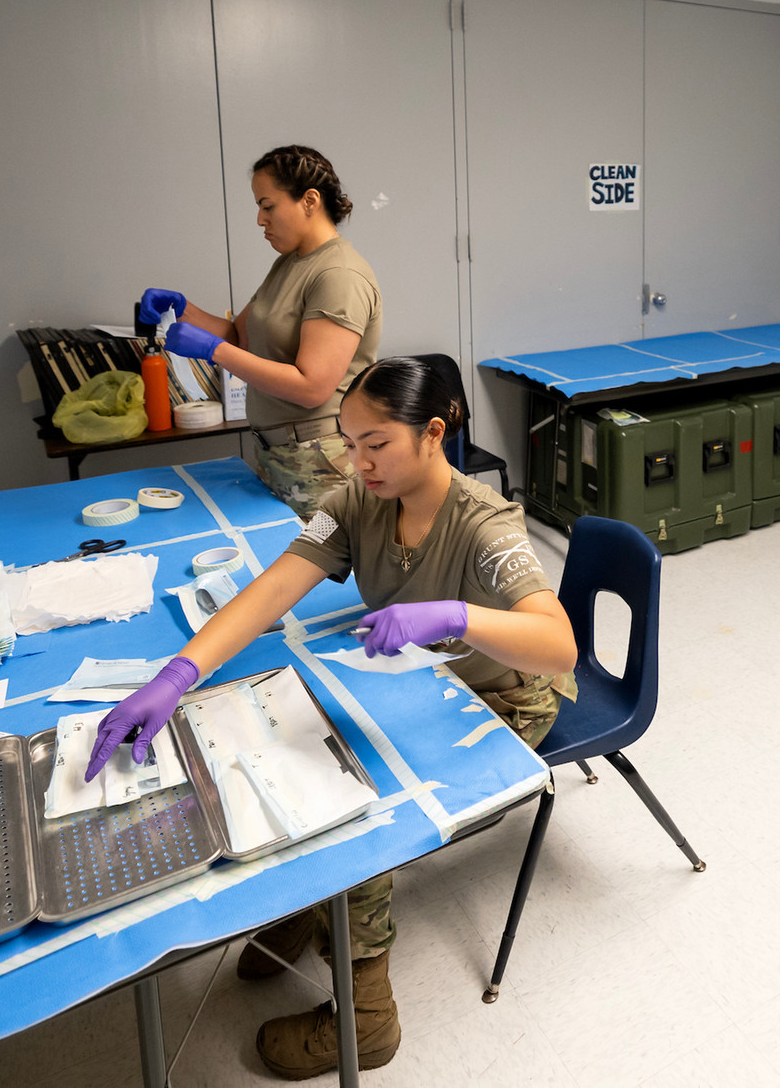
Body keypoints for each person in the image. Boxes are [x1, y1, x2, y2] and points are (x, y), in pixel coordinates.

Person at [82, 357, 577, 1078]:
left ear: (432, 432)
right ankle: (317, 907)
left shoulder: (485, 524)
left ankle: (367, 1018)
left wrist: (456, 614)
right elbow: (274, 586)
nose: (358, 460)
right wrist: (176, 675)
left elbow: (557, 640)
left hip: (503, 695)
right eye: (350, 442)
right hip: (431, 682)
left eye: (375, 443)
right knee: (290, 738)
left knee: (352, 797)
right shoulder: (356, 501)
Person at [139, 144, 382, 517]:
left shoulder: (338, 275)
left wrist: (213, 350)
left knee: (325, 570)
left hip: (322, 460)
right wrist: (183, 309)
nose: (259, 219)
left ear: (309, 200)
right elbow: (241, 336)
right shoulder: (290, 263)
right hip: (281, 454)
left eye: (267, 206)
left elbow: (312, 387)